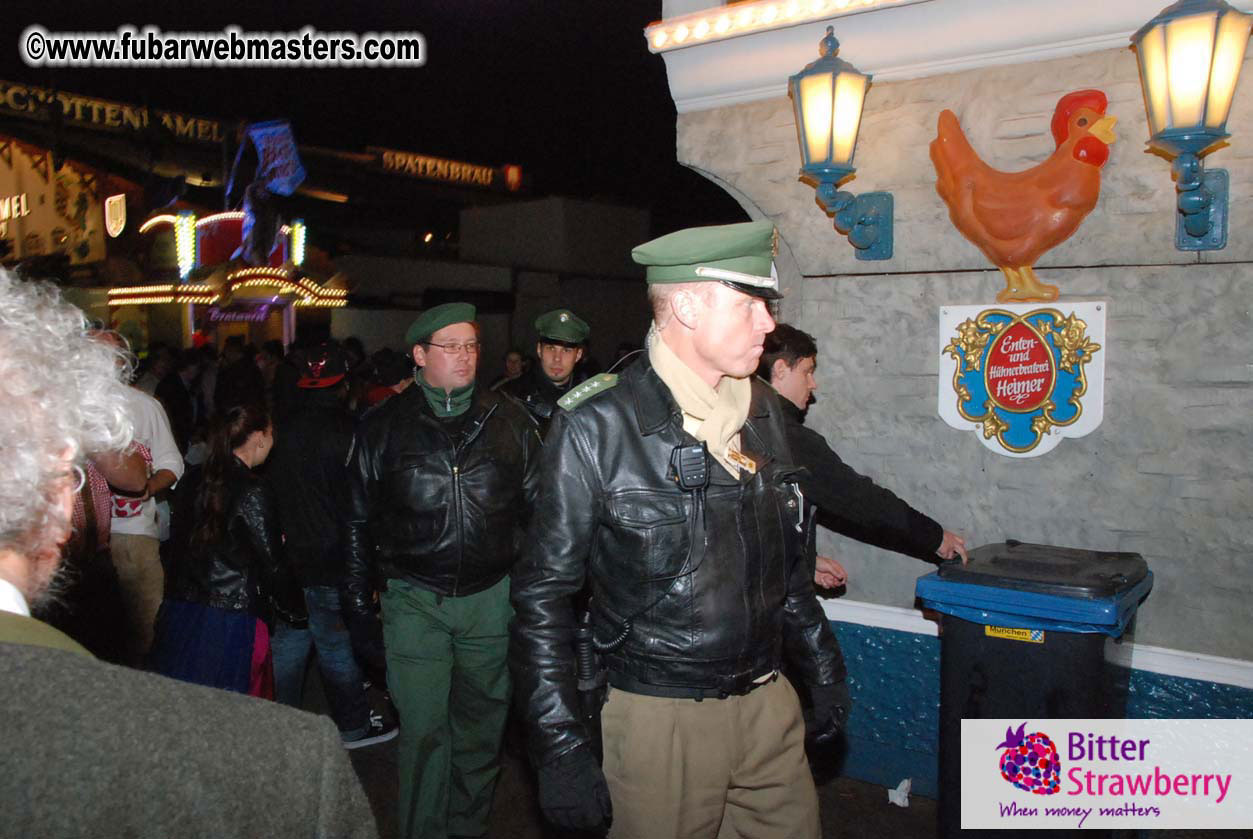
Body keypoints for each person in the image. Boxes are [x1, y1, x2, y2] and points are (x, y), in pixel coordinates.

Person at [0, 268, 377, 838]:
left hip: (195, 603)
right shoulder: (299, 765)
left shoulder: (211, 474)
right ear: (59, 500)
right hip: (231, 611)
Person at [510, 221, 845, 839]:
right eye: (749, 304)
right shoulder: (597, 426)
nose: (768, 324)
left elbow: (788, 562)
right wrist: (557, 744)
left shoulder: (763, 410)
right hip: (659, 717)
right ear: (687, 306)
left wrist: (821, 666)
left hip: (769, 702)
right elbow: (543, 600)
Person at [344, 302, 541, 839]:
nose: (464, 357)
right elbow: (357, 521)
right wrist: (360, 605)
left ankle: (467, 828)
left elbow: (541, 515)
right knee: (425, 733)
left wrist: (533, 598)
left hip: (492, 598)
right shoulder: (383, 427)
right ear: (419, 355)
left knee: (481, 734)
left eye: (472, 346)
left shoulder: (512, 422)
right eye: (450, 347)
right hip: (414, 599)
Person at [759, 323, 968, 589]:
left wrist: (804, 562)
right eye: (807, 372)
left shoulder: (748, 421)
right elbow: (857, 498)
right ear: (780, 370)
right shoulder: (787, 436)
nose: (813, 383)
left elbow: (758, 525)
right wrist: (935, 537)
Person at [268, 341, 398, 748]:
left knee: (292, 639)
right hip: (334, 558)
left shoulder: (281, 429)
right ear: (343, 384)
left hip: (290, 555)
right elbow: (363, 505)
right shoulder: (351, 433)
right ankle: (354, 727)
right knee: (335, 644)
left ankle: (280, 718)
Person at [150, 402, 306, 697]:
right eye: (272, 434)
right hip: (232, 618)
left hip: (182, 609)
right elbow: (273, 562)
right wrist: (296, 608)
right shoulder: (252, 489)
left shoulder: (192, 479)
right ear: (259, 437)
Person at [106, 337, 185, 668]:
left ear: (123, 364)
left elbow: (172, 463)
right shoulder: (60, 406)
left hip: (130, 534)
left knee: (145, 629)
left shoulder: (142, 406)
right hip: (76, 540)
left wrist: (147, 487)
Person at [499, 308, 591, 435]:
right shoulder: (512, 396)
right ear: (539, 350)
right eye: (551, 348)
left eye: (566, 350)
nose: (557, 358)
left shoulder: (589, 397)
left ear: (578, 355)